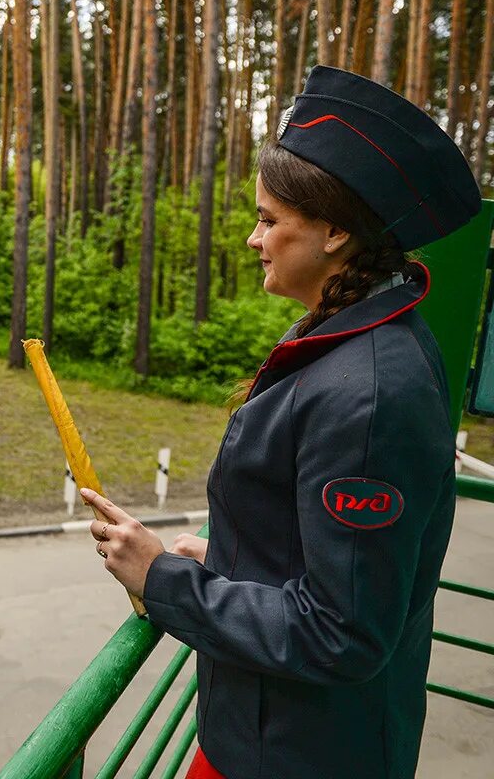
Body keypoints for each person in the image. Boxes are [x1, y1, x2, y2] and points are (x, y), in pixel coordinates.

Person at [82, 65, 483, 779]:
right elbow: (326, 557)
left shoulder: (368, 396)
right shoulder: (360, 333)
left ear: (334, 231)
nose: (251, 239)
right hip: (279, 738)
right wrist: (229, 564)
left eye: (269, 220)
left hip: (297, 755)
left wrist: (164, 581)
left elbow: (343, 632)